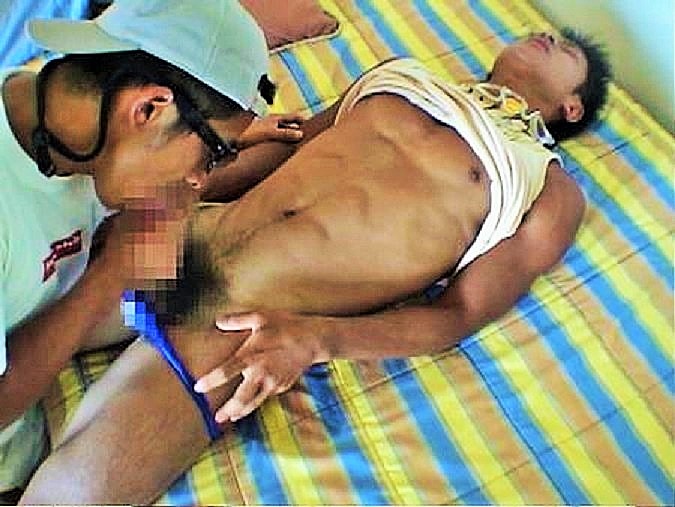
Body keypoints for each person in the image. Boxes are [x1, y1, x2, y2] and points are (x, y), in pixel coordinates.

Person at [20, 29, 612, 504]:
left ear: (572, 106)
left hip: (249, 319)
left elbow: (457, 313)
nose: (546, 36)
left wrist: (316, 339)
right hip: (181, 238)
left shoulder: (546, 186)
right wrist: (154, 194)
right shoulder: (402, 75)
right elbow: (290, 143)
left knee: (74, 491)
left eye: (566, 49)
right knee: (15, 325)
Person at [0, 0, 308, 499]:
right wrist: (111, 274)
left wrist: (232, 139)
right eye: (212, 154)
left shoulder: (65, 117)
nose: (199, 178)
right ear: (148, 108)